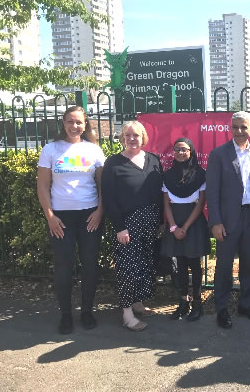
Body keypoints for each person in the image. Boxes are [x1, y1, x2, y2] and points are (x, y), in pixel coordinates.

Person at [37, 106, 105, 334]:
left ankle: (87, 311)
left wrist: (99, 212)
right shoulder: (50, 149)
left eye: (79, 122)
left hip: (90, 216)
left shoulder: (94, 150)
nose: (74, 126)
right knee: (64, 267)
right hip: (61, 218)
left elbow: (103, 186)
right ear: (63, 123)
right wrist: (50, 217)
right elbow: (42, 186)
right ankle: (66, 314)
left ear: (85, 124)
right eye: (70, 122)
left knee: (90, 266)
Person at [206, 111, 250, 329]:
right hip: (227, 219)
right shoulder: (218, 155)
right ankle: (221, 308)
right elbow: (212, 191)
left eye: (244, 127)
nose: (240, 131)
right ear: (230, 129)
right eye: (235, 127)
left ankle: (246, 304)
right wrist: (215, 221)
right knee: (224, 265)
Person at [102, 121, 163, 331]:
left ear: (143, 137)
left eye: (136, 135)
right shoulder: (113, 163)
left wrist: (161, 221)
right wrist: (119, 227)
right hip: (127, 224)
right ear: (122, 138)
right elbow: (108, 198)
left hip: (150, 221)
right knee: (128, 267)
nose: (132, 139)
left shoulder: (153, 159)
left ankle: (138, 302)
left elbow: (160, 193)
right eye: (127, 135)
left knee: (145, 264)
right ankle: (127, 313)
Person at [162, 138, 210, 322]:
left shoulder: (200, 174)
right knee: (180, 263)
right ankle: (183, 301)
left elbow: (200, 205)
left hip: (193, 223)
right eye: (177, 149)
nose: (180, 152)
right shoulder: (167, 176)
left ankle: (197, 303)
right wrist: (174, 227)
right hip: (175, 223)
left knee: (195, 264)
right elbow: (166, 204)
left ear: (191, 152)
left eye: (184, 149)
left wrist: (185, 227)